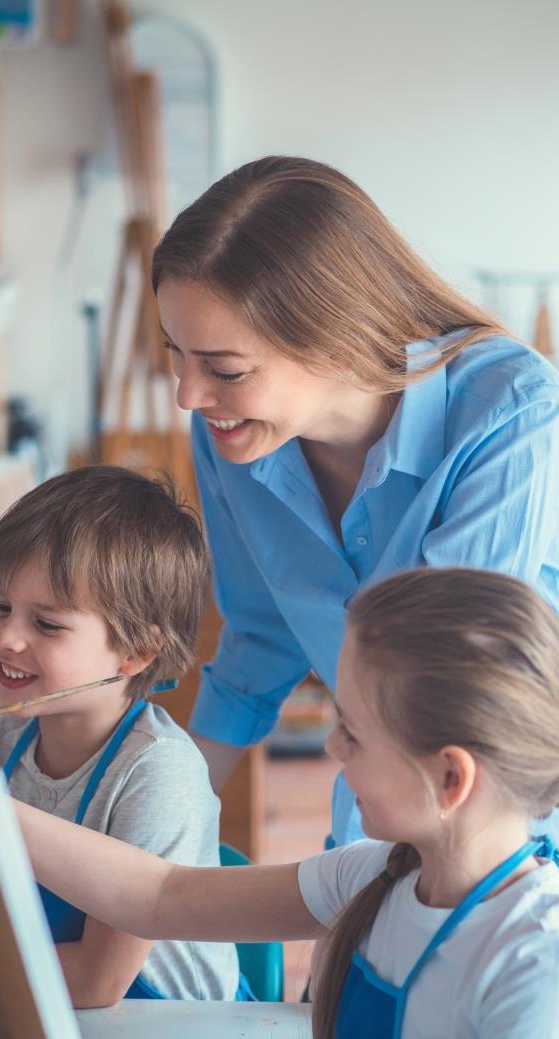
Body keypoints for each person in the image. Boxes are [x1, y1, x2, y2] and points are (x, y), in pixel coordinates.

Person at [150, 155, 559, 847]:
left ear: (333, 336)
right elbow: (259, 636)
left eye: (223, 369)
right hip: (381, 803)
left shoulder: (509, 409)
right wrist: (163, 805)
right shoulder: (230, 432)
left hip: (505, 826)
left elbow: (447, 682)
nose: (188, 395)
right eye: (175, 353)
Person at [14, 568, 559, 1039]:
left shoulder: (535, 960)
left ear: (449, 777)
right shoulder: (373, 875)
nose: (332, 746)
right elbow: (160, 896)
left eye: (354, 732)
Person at [0, 465, 241, 1007]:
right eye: (0, 606)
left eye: (48, 624)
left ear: (137, 651)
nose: (6, 638)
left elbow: (96, 981)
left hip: (170, 1022)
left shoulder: (158, 773)